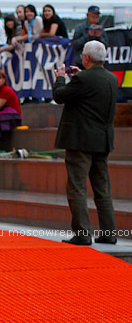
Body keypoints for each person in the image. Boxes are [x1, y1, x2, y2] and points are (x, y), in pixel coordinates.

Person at [53, 40, 117, 245]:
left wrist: (61, 78)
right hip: (102, 140)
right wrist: (78, 75)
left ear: (86, 58)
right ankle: (109, 233)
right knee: (102, 188)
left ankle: (82, 233)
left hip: (80, 141)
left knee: (77, 187)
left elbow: (59, 96)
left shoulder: (83, 78)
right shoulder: (111, 78)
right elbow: (88, 91)